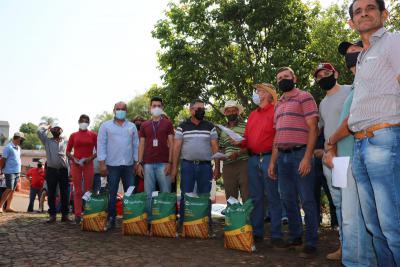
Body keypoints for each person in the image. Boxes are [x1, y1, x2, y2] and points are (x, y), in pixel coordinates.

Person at [343, 0, 400, 264]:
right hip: (360, 145)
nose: (363, 12)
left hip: (385, 139)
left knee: (393, 227)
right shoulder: (363, 56)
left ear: (384, 14)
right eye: (357, 11)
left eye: (370, 8)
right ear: (352, 22)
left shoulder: (394, 42)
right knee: (375, 229)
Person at [323, 40, 377, 267]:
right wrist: (331, 148)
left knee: (355, 218)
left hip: (357, 159)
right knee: (349, 216)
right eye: (347, 54)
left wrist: (330, 142)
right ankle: (354, 259)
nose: (350, 56)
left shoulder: (367, 83)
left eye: (355, 51)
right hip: (343, 161)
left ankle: (359, 262)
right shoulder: (353, 89)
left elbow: (351, 121)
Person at [268, 67, 319, 258]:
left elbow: (313, 128)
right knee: (287, 199)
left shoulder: (305, 96)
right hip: (282, 157)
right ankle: (296, 236)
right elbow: (277, 136)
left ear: (294, 78)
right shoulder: (278, 104)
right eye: (279, 78)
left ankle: (311, 241)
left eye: (286, 77)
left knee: (307, 199)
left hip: (300, 155)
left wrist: (307, 157)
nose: (283, 80)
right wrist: (273, 162)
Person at [238, 84, 285, 249]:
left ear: (268, 94)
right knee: (256, 198)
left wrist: (273, 160)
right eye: (256, 91)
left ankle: (276, 235)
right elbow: (246, 138)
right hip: (252, 159)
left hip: (268, 158)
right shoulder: (252, 115)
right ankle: (257, 233)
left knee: (273, 196)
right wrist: (238, 141)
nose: (256, 93)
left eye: (259, 91)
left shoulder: (276, 111)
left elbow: (278, 137)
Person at [314, 62, 352, 260]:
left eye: (327, 73)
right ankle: (344, 247)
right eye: (319, 76)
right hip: (329, 159)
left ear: (336, 73)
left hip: (348, 155)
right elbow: (322, 129)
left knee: (352, 203)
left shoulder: (350, 90)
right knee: (339, 204)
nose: (323, 77)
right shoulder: (322, 103)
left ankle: (357, 249)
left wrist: (332, 143)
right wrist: (322, 150)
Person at [171, 99, 221, 228]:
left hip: (205, 166)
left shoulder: (210, 126)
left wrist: (217, 168)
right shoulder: (182, 126)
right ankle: (182, 223)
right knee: (185, 194)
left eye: (203, 108)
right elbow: (176, 148)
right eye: (198, 108)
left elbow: (215, 147)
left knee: (205, 195)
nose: (201, 111)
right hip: (187, 165)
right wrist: (174, 168)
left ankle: (206, 223)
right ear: (191, 110)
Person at [97, 101, 139, 230]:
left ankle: (130, 219)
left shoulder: (132, 126)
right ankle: (111, 218)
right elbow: (101, 145)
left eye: (123, 109)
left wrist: (137, 163)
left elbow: (136, 145)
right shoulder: (105, 126)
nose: (120, 111)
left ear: (126, 111)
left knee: (130, 193)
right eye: (118, 108)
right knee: (112, 193)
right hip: (112, 165)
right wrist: (102, 164)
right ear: (113, 110)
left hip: (129, 166)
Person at [137, 97, 174, 220]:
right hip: (147, 164)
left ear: (162, 108)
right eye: (154, 106)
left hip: (164, 163)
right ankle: (150, 221)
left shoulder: (168, 123)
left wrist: (170, 163)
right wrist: (139, 163)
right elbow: (141, 144)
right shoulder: (144, 125)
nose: (156, 108)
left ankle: (166, 221)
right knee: (148, 195)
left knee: (165, 193)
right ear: (150, 108)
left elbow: (172, 143)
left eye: (159, 106)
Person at [66, 114, 97, 224]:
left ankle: (88, 214)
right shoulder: (73, 135)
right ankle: (78, 215)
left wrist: (90, 158)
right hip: (76, 164)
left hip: (88, 164)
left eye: (86, 121)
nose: (84, 122)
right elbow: (68, 151)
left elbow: (99, 151)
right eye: (82, 120)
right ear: (78, 122)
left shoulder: (93, 135)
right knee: (77, 191)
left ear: (88, 123)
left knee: (88, 190)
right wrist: (73, 159)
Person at [37, 124, 70, 223]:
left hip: (63, 170)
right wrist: (47, 127)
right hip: (51, 170)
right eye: (54, 128)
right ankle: (52, 215)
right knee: (51, 193)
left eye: (59, 128)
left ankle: (65, 215)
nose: (57, 129)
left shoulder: (66, 141)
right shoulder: (47, 141)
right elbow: (39, 132)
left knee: (65, 193)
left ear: (62, 130)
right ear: (51, 131)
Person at [218, 100, 249, 202]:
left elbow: (252, 146)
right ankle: (232, 218)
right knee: (231, 198)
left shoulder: (246, 126)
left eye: (233, 111)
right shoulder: (222, 129)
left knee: (247, 195)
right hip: (228, 166)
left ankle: (248, 218)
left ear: (238, 112)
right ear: (225, 113)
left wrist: (238, 153)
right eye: (229, 111)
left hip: (244, 164)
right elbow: (222, 148)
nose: (231, 113)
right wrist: (221, 156)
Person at [0, 132, 25, 213]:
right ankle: (0, 207)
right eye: (22, 139)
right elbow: (3, 160)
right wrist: (1, 169)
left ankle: (8, 207)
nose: (22, 141)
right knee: (9, 189)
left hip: (17, 172)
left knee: (12, 190)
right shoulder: (8, 147)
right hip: (9, 171)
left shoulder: (18, 148)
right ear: (18, 138)